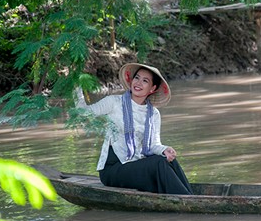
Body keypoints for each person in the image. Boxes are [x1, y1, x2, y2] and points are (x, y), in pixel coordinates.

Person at [74, 62, 193, 195]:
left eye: (145, 81)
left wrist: (165, 149)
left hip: (136, 165)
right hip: (113, 169)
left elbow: (154, 145)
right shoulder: (114, 102)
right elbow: (83, 113)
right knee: (158, 163)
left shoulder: (153, 114)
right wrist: (74, 86)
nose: (139, 83)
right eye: (137, 78)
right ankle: (186, 200)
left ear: (152, 88)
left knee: (168, 161)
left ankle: (190, 196)